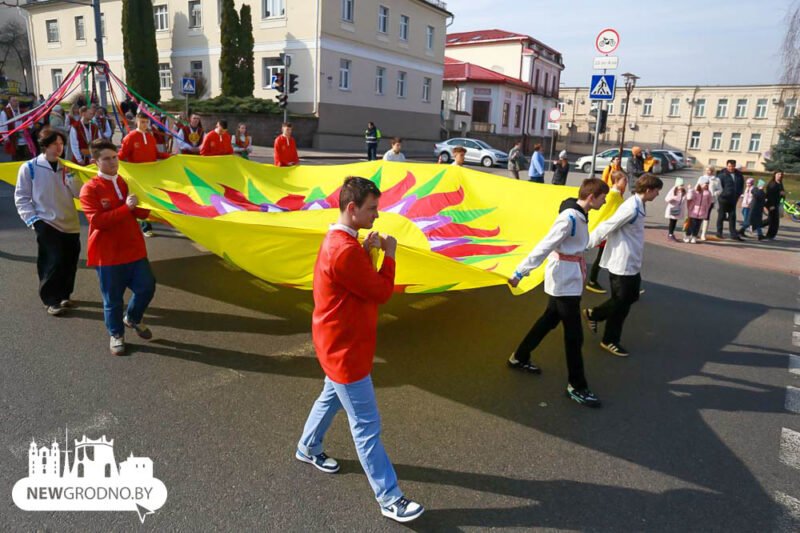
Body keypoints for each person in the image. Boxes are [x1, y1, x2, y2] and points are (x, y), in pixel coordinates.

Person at [295, 176, 424, 523]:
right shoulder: (343, 250)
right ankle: (390, 498)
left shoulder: (342, 242)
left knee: (330, 397)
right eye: (372, 209)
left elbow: (356, 279)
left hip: (336, 342)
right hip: (346, 352)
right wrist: (390, 255)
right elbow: (381, 291)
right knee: (366, 425)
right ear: (352, 209)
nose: (377, 215)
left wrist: (369, 251)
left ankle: (308, 447)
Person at [507, 178, 609, 407]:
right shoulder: (569, 218)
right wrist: (520, 272)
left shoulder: (580, 215)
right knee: (574, 335)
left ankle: (519, 357)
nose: (604, 203)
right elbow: (544, 246)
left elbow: (578, 243)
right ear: (592, 197)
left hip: (568, 277)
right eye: (602, 198)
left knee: (548, 320)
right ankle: (577, 386)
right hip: (563, 280)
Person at [79, 138, 156, 356]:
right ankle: (116, 334)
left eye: (115, 157)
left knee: (147, 287)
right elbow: (98, 221)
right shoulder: (89, 189)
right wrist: (126, 208)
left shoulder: (123, 181)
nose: (113, 162)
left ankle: (132, 318)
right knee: (112, 299)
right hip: (108, 254)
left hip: (133, 248)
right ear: (96, 162)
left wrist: (148, 207)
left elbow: (133, 210)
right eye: (107, 159)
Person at [583, 174, 663, 357]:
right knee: (621, 301)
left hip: (632, 263)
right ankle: (604, 331)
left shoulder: (640, 204)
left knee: (630, 297)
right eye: (657, 190)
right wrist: (585, 244)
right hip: (622, 264)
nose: (658, 194)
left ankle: (597, 319)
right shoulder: (631, 208)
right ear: (649, 190)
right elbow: (606, 226)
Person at [14, 127, 83, 316]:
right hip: (46, 222)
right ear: (44, 145)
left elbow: (79, 194)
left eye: (61, 144)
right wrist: (33, 220)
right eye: (54, 144)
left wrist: (72, 178)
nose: (58, 148)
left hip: (70, 222)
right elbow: (21, 196)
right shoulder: (29, 167)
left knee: (70, 260)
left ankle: (64, 294)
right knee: (52, 261)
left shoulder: (68, 166)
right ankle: (50, 299)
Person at [586, 170, 628, 295]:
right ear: (616, 181)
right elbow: (605, 214)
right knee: (606, 258)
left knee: (611, 257)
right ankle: (592, 281)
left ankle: (624, 286)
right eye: (624, 180)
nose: (626, 182)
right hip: (608, 233)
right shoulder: (612, 195)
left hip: (611, 232)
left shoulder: (616, 194)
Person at [715, 160, 744, 241]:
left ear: (735, 166)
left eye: (733, 166)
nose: (731, 168)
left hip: (733, 199)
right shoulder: (721, 175)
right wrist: (722, 194)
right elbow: (717, 187)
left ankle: (733, 234)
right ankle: (719, 233)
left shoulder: (739, 175)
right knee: (721, 216)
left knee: (732, 217)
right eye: (729, 166)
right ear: (727, 166)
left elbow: (741, 185)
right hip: (723, 199)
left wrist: (739, 194)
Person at [2, 96, 33, 161]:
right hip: (13, 138)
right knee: (16, 157)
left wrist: (29, 124)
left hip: (24, 138)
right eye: (14, 101)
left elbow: (30, 120)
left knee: (27, 157)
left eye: (17, 101)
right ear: (9, 102)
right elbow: (3, 125)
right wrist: (5, 137)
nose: (16, 102)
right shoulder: (5, 112)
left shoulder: (22, 111)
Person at [684, 176, 713, 244]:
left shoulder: (708, 193)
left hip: (702, 212)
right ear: (700, 184)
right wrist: (690, 189)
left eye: (707, 184)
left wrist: (706, 209)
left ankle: (694, 237)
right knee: (691, 225)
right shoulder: (695, 191)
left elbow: (709, 203)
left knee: (697, 226)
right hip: (693, 211)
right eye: (705, 184)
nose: (706, 185)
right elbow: (689, 198)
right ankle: (687, 236)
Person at [765, 170, 786, 240]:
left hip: (777, 204)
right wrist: (771, 205)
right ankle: (769, 235)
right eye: (778, 174)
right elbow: (769, 196)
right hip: (772, 205)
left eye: (781, 174)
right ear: (775, 175)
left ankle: (771, 235)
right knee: (773, 221)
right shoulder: (772, 184)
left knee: (773, 220)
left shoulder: (780, 183)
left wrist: (783, 197)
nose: (780, 175)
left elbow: (782, 195)